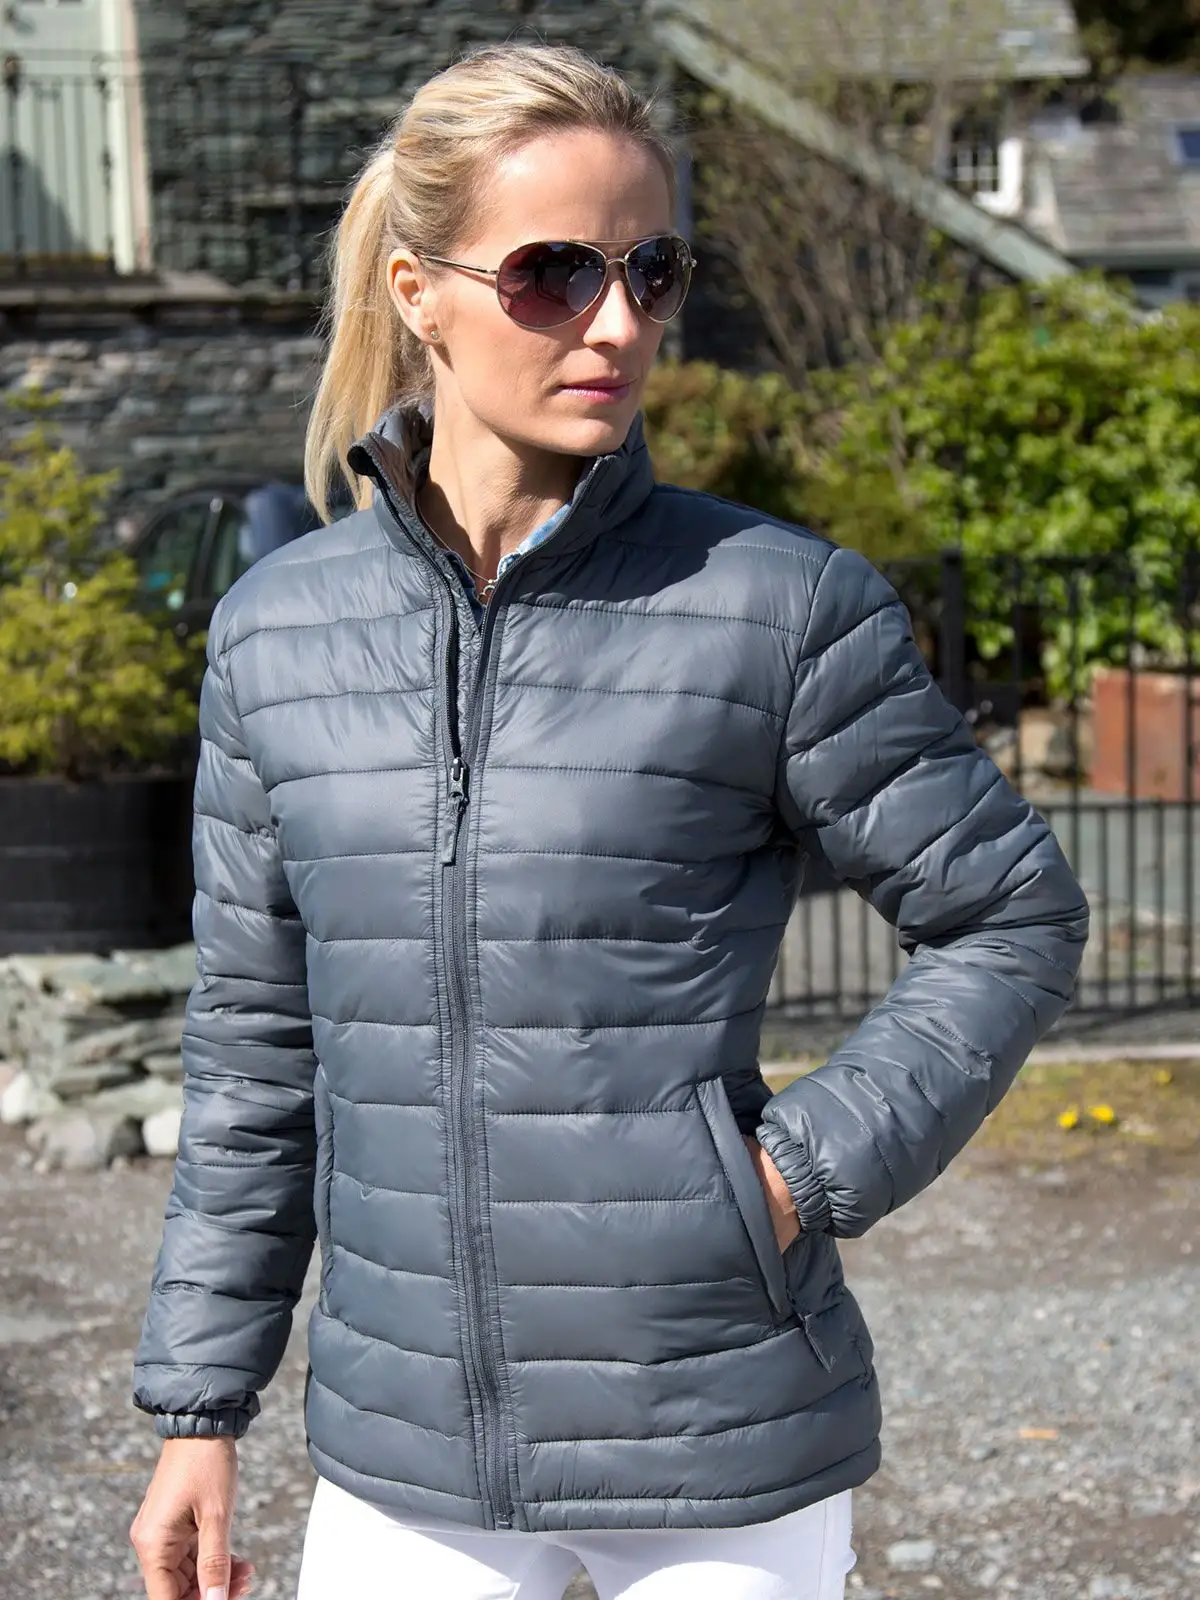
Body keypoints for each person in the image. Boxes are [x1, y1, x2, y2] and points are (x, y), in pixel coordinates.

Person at [129, 42, 1089, 1600]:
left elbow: (1010, 913)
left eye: (654, 269)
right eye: (555, 272)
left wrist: (787, 1179)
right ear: (418, 292)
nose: (619, 322)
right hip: (405, 1456)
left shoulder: (777, 608)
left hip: (717, 1438)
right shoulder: (277, 634)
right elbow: (253, 1049)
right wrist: (198, 1409)